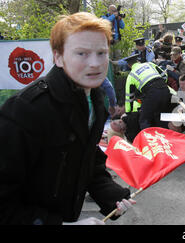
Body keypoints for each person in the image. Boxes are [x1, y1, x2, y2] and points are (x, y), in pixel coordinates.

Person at [0, 12, 135, 225]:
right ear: (58, 57)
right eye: (81, 53)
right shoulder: (25, 110)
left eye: (102, 53)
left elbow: (88, 161)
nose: (95, 63)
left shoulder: (96, 100)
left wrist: (112, 196)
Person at [125, 54, 176, 131]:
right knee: (159, 116)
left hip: (152, 93)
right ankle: (166, 137)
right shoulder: (149, 64)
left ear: (129, 65)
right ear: (138, 61)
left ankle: (149, 140)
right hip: (165, 90)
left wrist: (128, 112)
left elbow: (129, 97)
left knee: (144, 120)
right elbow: (164, 75)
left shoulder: (131, 75)